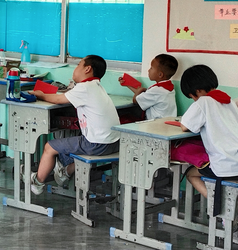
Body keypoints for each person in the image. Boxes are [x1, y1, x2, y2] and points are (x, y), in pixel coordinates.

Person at [24, 55, 121, 195]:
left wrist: (40, 95)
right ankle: (65, 171)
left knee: (49, 147)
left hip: (96, 144)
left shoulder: (85, 87)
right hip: (113, 143)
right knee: (71, 142)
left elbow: (58, 99)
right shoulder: (97, 87)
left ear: (87, 69)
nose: (75, 69)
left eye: (78, 65)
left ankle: (37, 183)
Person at [180, 65, 238, 204]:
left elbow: (184, 126)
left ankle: (219, 205)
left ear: (198, 91)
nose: (194, 100)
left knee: (190, 174)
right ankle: (237, 205)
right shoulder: (229, 101)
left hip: (225, 166)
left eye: (192, 97)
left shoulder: (203, 101)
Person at [119, 53, 178, 120]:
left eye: (151, 68)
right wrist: (127, 84)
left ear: (160, 74)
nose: (148, 70)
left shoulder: (156, 90)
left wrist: (141, 90)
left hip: (155, 126)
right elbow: (142, 95)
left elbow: (136, 100)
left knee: (124, 117)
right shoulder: (168, 89)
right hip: (165, 124)